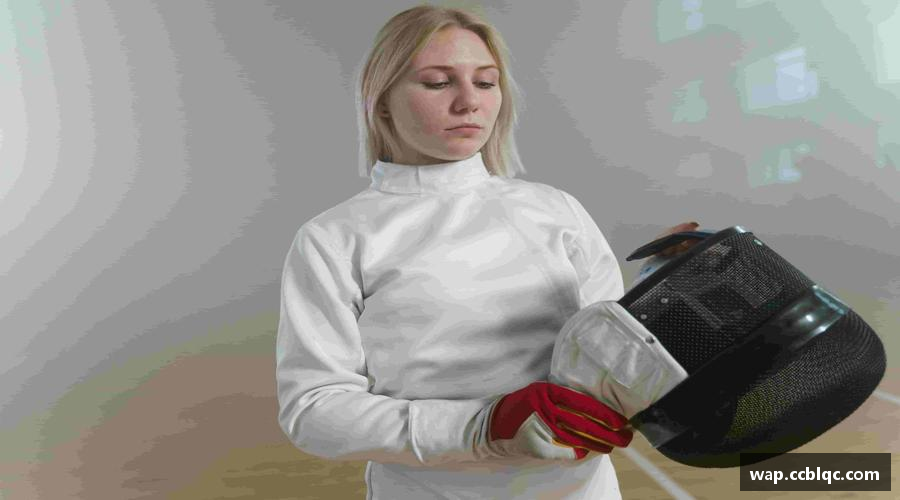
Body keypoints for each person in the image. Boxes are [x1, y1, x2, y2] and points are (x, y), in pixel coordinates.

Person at [276, 5, 695, 498]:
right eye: (438, 83)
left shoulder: (555, 210)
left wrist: (667, 290)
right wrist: (485, 425)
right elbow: (314, 412)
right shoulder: (334, 238)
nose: (468, 102)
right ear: (382, 101)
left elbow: (612, 367)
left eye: (485, 82)